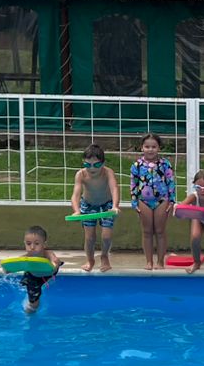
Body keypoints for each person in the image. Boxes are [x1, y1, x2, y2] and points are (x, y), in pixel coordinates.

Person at [130, 132, 176, 271]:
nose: (150, 150)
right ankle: (149, 261)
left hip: (162, 200)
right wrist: (134, 202)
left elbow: (170, 182)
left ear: (159, 148)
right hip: (144, 201)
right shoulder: (137, 165)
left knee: (160, 231)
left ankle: (160, 262)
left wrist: (171, 200)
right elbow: (133, 184)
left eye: (154, 147)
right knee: (147, 231)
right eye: (147, 146)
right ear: (142, 148)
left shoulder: (165, 164)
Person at [70, 143, 120, 272]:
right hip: (88, 204)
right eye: (87, 165)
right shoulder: (81, 174)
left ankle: (104, 256)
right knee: (89, 237)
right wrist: (76, 210)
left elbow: (114, 188)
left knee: (106, 236)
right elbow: (76, 194)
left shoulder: (108, 172)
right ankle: (90, 259)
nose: (92, 168)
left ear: (103, 163)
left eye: (96, 165)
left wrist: (115, 206)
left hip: (107, 204)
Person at [18, 225, 64, 314]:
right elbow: (15, 265)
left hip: (47, 274)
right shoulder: (25, 257)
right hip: (33, 277)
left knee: (56, 266)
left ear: (44, 244)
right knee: (34, 304)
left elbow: (54, 261)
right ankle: (29, 312)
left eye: (36, 244)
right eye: (28, 244)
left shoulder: (47, 253)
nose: (32, 247)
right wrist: (8, 269)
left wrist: (55, 263)